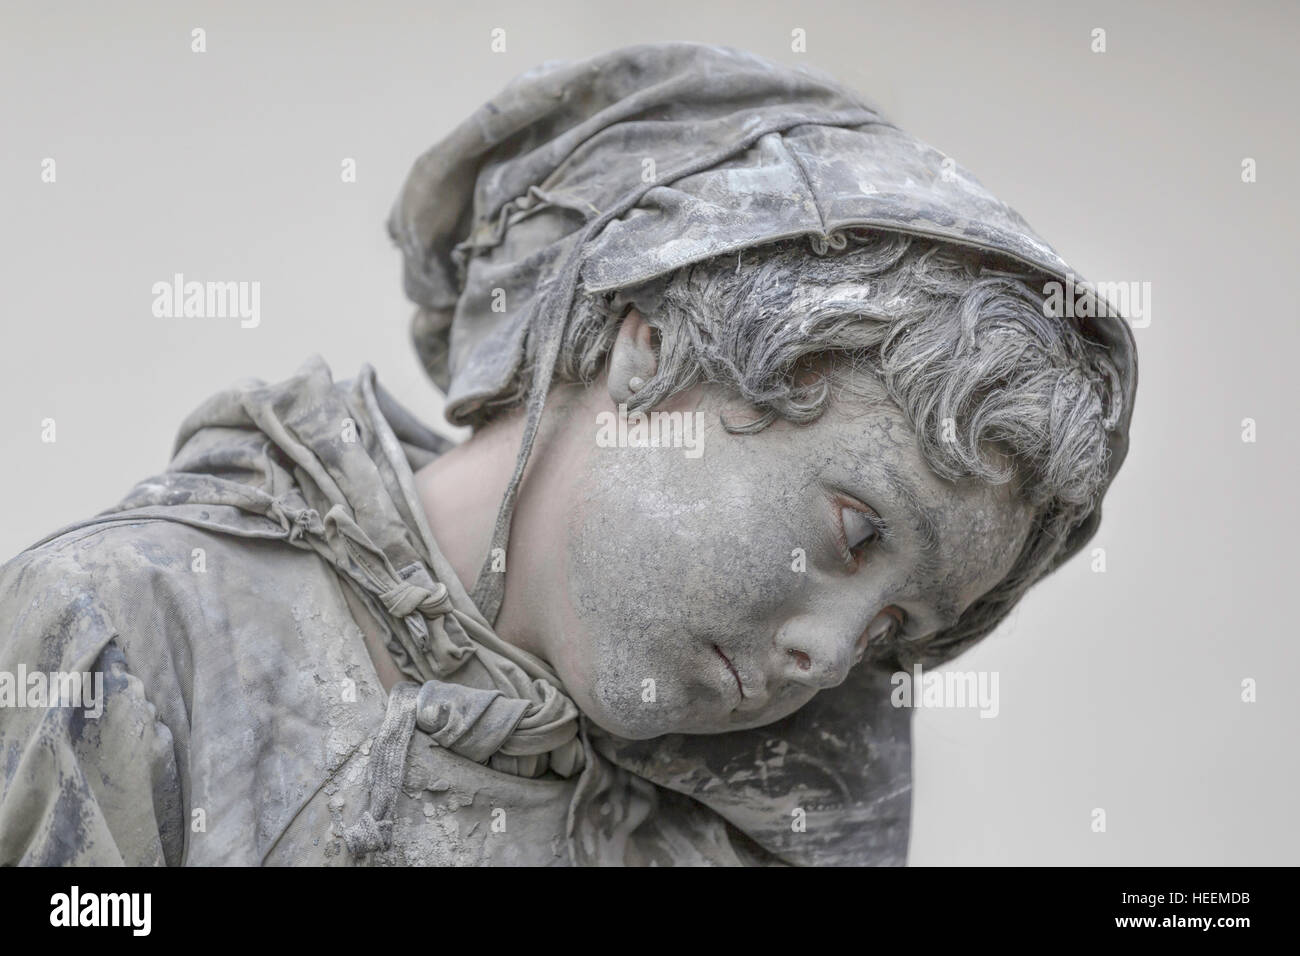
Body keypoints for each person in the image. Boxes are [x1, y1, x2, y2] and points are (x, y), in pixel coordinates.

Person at [0, 42, 1135, 866]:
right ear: (650, 349)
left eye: (899, 630)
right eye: (854, 531)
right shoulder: (127, 642)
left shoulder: (782, 800)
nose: (829, 657)